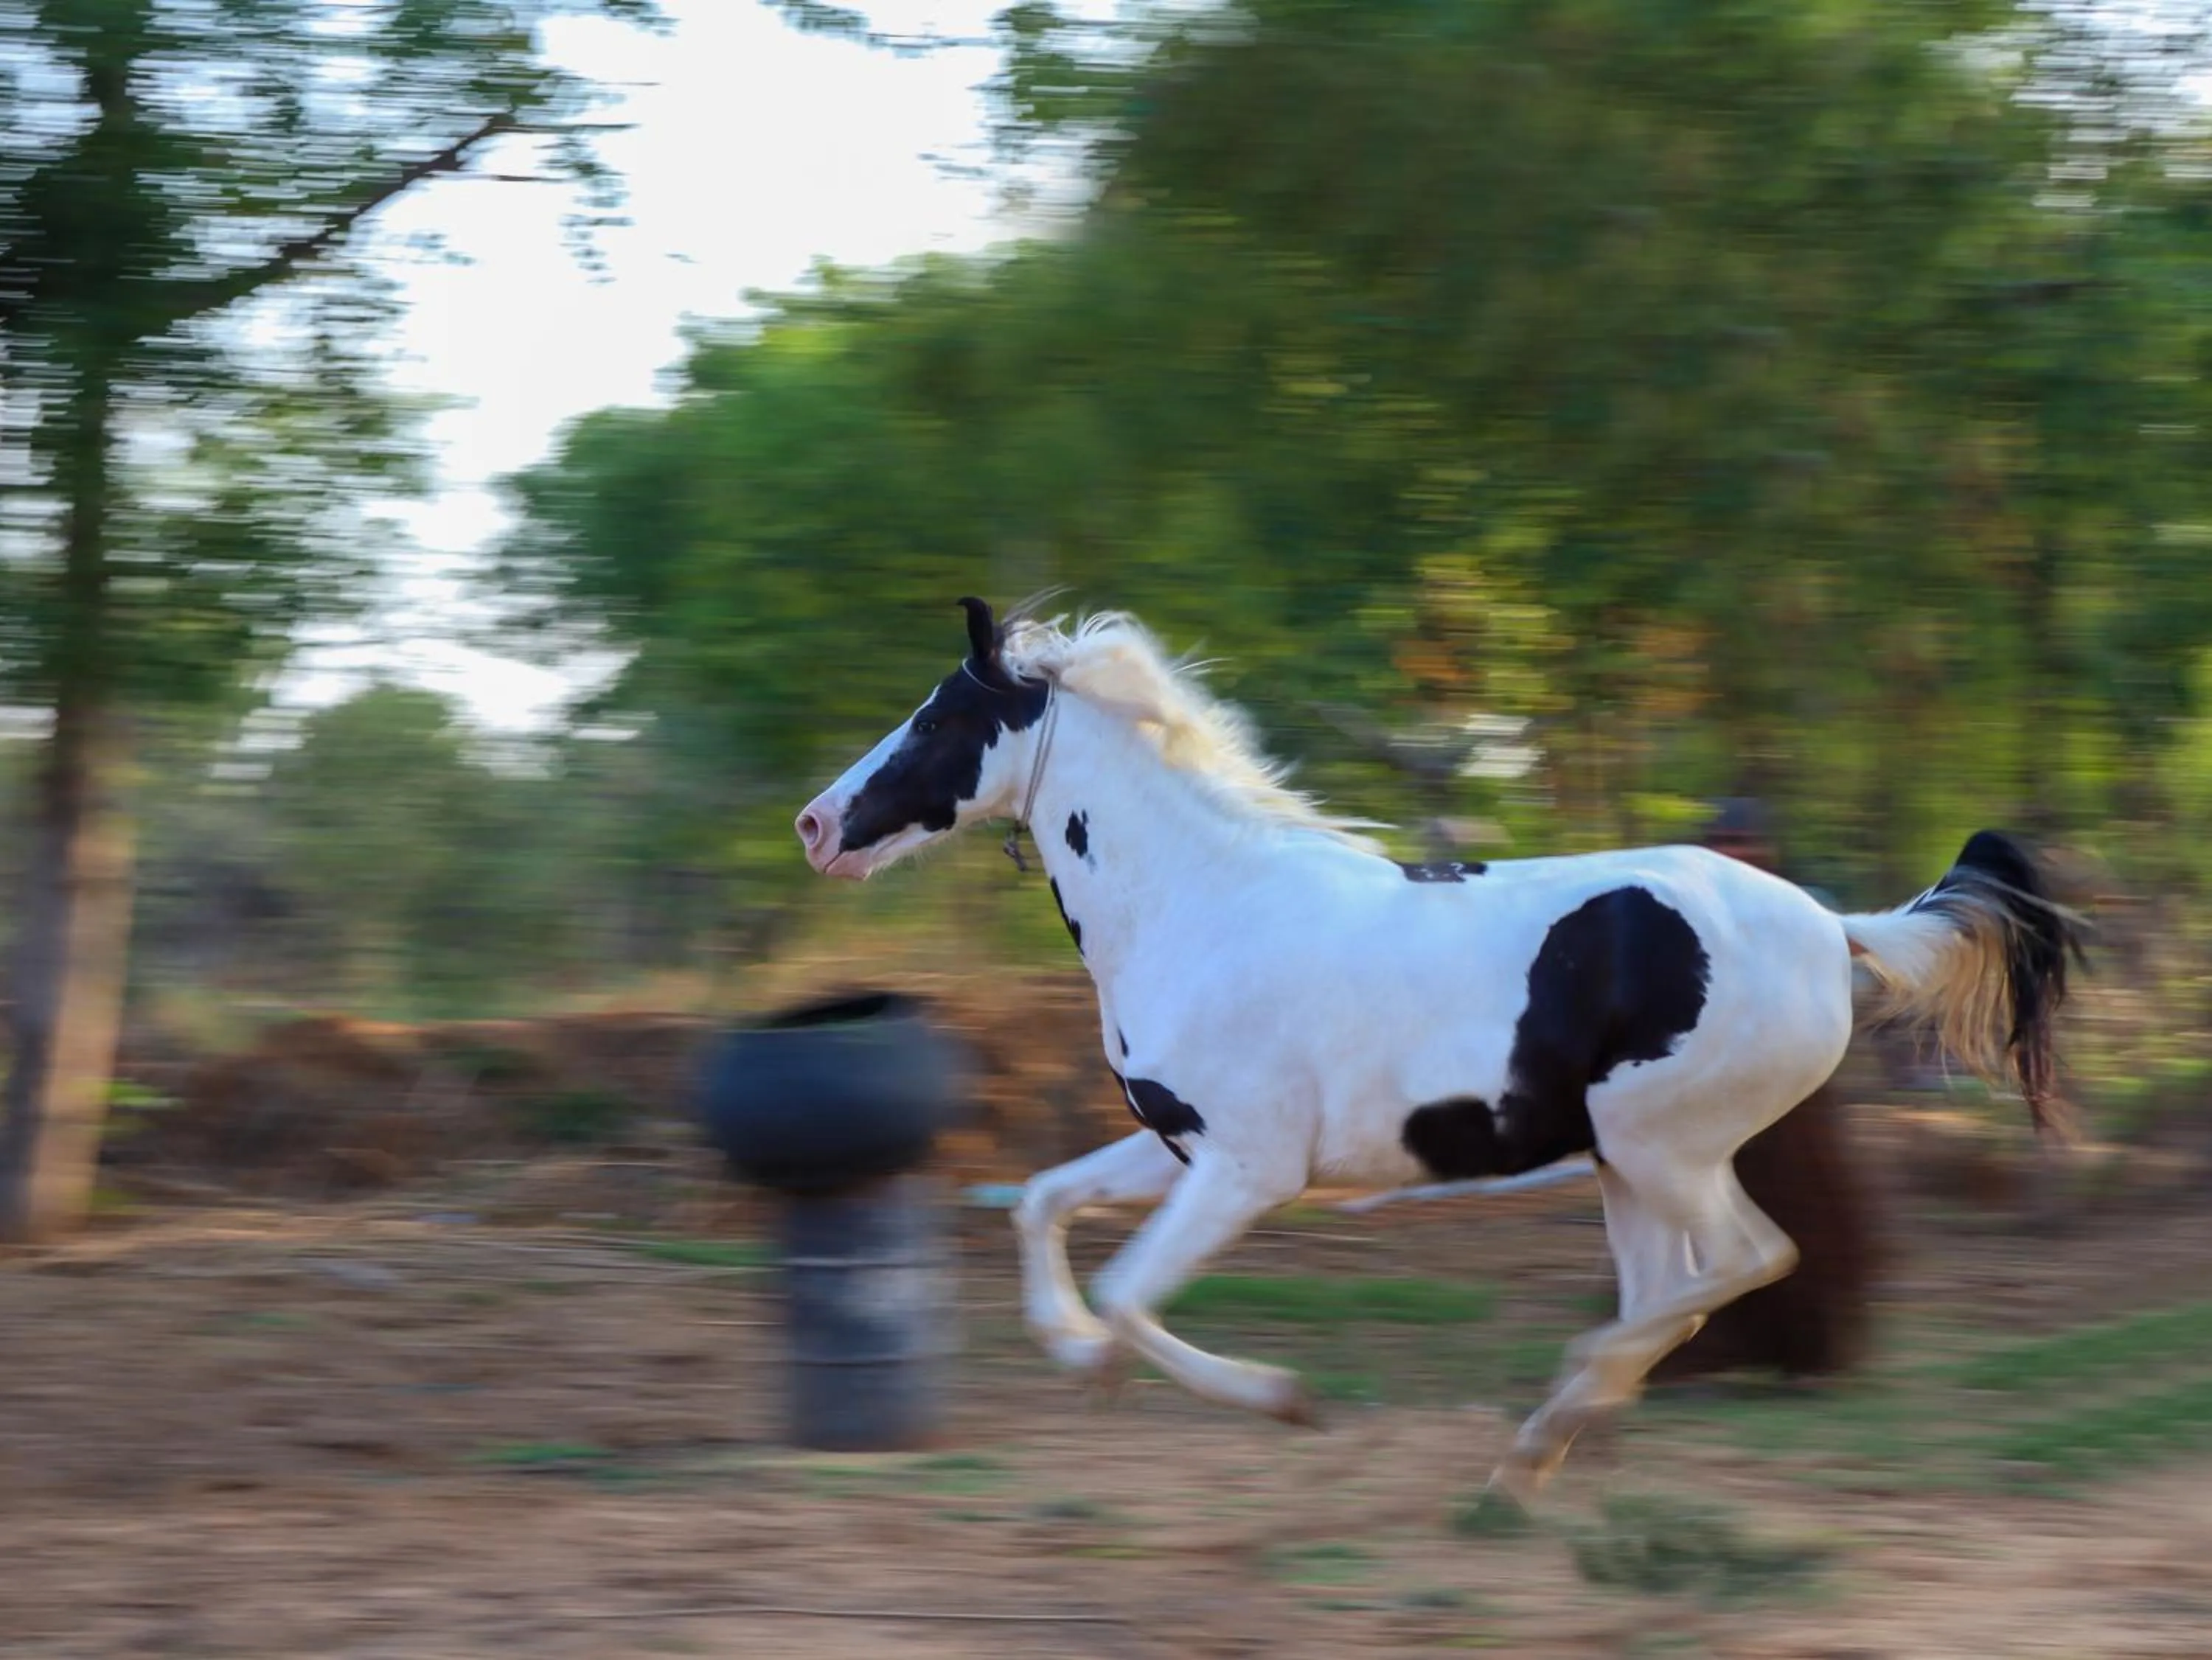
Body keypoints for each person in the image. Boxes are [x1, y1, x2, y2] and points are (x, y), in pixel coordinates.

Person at [1649, 798, 1882, 1384]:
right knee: (1689, 1215)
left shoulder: (1802, 911)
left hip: (1791, 1091)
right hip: (1706, 1090)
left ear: (1767, 853)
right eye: (1725, 843)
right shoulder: (1678, 912)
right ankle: (1682, 1352)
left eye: (1747, 844)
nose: (1736, 854)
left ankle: (1809, 1353)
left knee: (1800, 1211)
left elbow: (1843, 984)